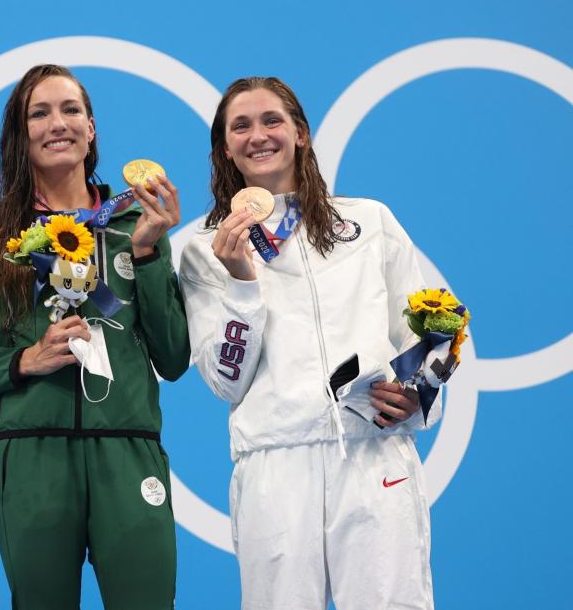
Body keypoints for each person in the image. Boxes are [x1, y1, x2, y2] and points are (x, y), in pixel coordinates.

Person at [179, 77, 438, 610]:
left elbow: (432, 328)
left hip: (372, 453)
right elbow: (226, 381)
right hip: (275, 465)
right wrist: (242, 283)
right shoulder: (205, 250)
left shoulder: (370, 222)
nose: (258, 135)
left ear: (301, 133)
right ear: (224, 147)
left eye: (271, 120)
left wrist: (416, 393)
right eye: (241, 126)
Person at [0, 64, 190, 610]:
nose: (56, 123)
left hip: (128, 448)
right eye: (39, 113)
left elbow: (175, 357)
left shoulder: (137, 224)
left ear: (91, 129)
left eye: (70, 110)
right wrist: (22, 363)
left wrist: (151, 254)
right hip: (30, 451)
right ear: (20, 134)